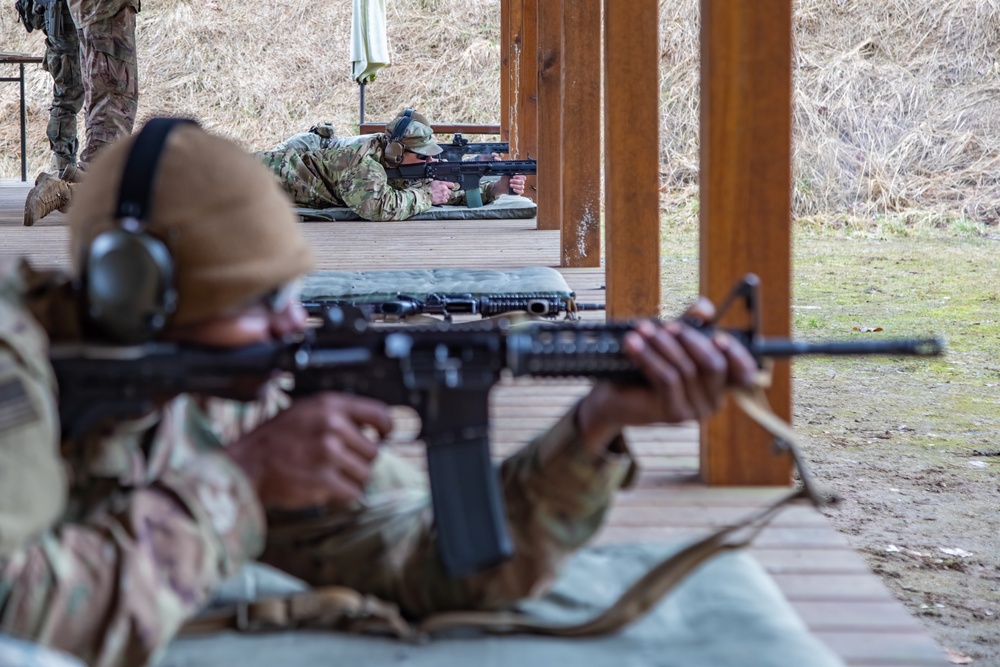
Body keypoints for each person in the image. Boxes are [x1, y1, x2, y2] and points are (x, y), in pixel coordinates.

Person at [0, 122, 756, 666]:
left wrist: (595, 426)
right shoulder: (17, 367)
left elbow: (437, 566)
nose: (294, 323)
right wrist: (242, 484)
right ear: (135, 298)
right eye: (259, 303)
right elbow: (19, 624)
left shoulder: (225, 397)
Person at [255, 110, 528, 221]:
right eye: (422, 156)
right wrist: (425, 195)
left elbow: (442, 192)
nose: (430, 161)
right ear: (397, 152)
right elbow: (376, 207)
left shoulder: (397, 161)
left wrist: (495, 189)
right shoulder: (363, 160)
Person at [22, 0, 140, 227]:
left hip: (97, 11)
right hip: (106, 10)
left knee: (104, 100)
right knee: (115, 103)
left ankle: (79, 178)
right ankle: (68, 191)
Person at [14, 0, 84, 178]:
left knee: (71, 100)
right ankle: (62, 164)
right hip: (66, 45)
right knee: (66, 101)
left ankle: (66, 164)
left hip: (71, 41)